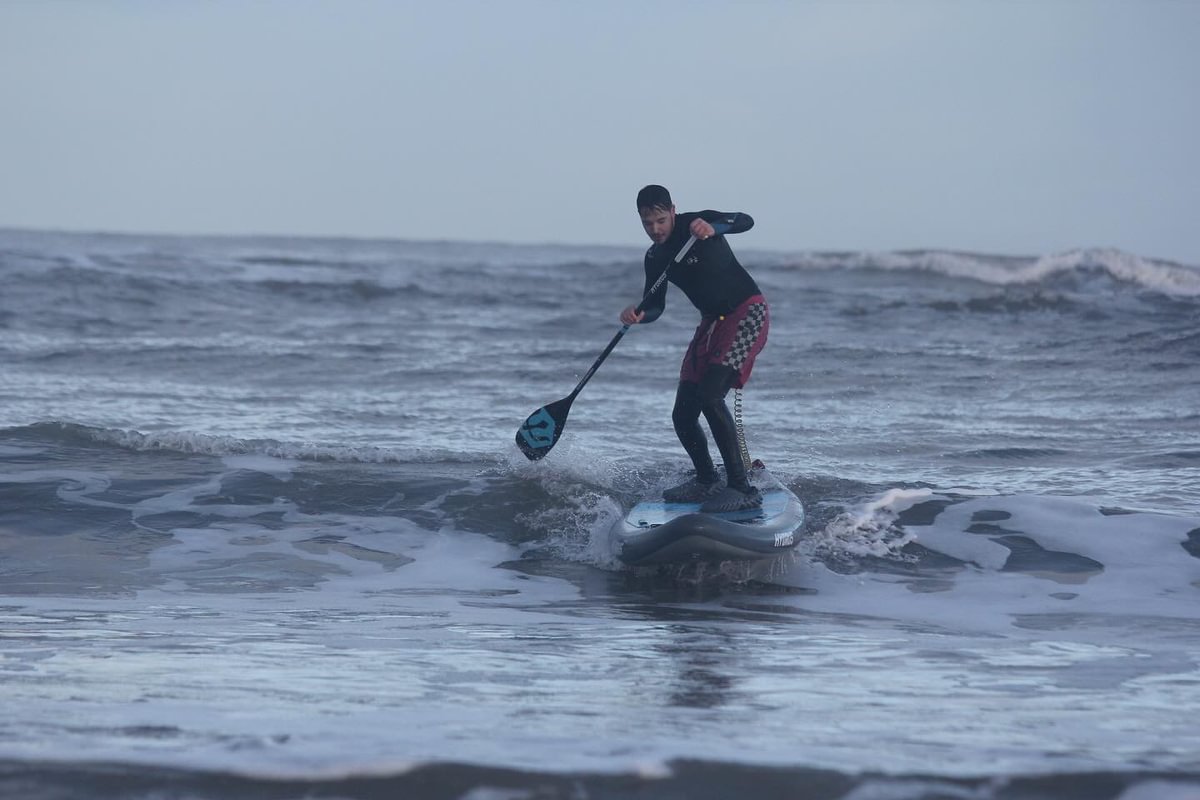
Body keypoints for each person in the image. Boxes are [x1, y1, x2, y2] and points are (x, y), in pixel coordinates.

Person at [621, 184, 769, 512]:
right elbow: (655, 305)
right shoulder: (655, 256)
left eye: (661, 220)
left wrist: (713, 227)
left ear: (673, 211)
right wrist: (639, 315)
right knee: (683, 413)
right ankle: (706, 480)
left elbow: (745, 220)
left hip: (745, 312)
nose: (655, 229)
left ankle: (741, 488)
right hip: (711, 324)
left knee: (711, 396)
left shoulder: (696, 225)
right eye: (648, 223)